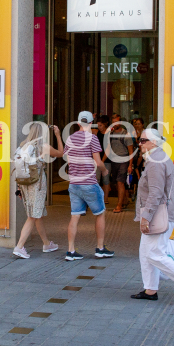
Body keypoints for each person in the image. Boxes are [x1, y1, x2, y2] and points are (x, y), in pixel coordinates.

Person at [132, 128, 174, 302]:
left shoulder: (156, 162)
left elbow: (155, 193)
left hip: (159, 216)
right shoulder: (157, 158)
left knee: (153, 254)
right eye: (139, 140)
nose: (139, 143)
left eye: (143, 140)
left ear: (154, 142)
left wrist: (145, 217)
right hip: (162, 213)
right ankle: (150, 290)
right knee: (145, 252)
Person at [63, 111, 115, 261]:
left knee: (75, 216)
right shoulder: (92, 138)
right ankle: (100, 248)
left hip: (74, 183)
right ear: (91, 123)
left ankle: (70, 251)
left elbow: (67, 157)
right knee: (100, 213)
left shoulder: (71, 138)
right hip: (89, 183)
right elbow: (98, 162)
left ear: (78, 123)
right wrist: (105, 171)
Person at [12, 122, 64, 259]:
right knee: (32, 216)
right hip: (37, 184)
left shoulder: (23, 145)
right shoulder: (43, 147)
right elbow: (61, 153)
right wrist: (58, 135)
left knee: (37, 213)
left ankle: (46, 243)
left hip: (24, 183)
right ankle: (19, 247)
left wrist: (18, 189)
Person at [108, 119, 135, 213]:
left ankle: (119, 205)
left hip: (124, 160)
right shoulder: (110, 134)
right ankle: (124, 200)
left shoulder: (126, 135)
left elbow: (131, 151)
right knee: (116, 183)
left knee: (120, 182)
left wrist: (130, 165)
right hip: (114, 160)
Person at [95, 115, 112, 203]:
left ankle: (105, 198)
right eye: (98, 125)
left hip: (106, 160)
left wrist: (102, 161)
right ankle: (98, 197)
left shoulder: (109, 134)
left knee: (106, 179)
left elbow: (108, 149)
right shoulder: (97, 132)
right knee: (97, 179)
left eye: (100, 125)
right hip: (98, 159)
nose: (99, 127)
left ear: (105, 124)